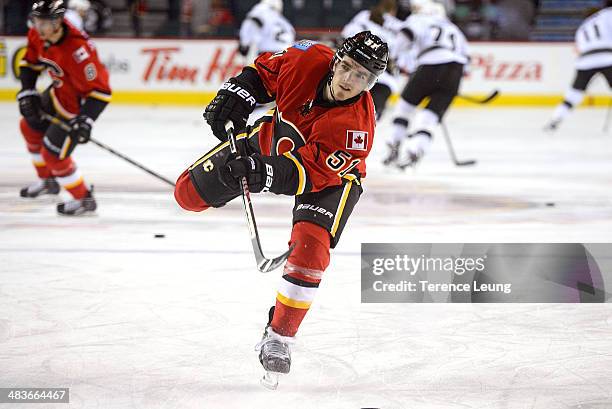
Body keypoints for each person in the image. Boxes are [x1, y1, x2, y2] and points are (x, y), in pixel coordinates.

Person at [174, 31, 388, 384]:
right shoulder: (306, 58)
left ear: (372, 82)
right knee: (186, 194)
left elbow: (306, 173)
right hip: (270, 139)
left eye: (363, 77)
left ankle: (279, 338)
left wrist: (262, 172)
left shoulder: (357, 129)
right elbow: (262, 74)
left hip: (331, 180)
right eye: (348, 68)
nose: (350, 81)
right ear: (335, 61)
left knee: (310, 250)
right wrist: (238, 93)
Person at [17, 0, 111, 215]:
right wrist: (27, 90)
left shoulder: (79, 52)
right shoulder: (38, 35)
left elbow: (101, 92)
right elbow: (29, 63)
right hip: (57, 94)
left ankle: (84, 198)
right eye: (36, 21)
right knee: (28, 127)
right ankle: (48, 181)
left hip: (75, 108)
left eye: (45, 23)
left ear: (58, 22)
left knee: (53, 155)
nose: (39, 28)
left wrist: (85, 120)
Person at [383, 1, 469, 168]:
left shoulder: (419, 19)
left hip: (430, 65)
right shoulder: (454, 29)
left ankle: (394, 144)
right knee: (430, 115)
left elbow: (406, 36)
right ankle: (416, 151)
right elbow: (467, 60)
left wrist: (392, 57)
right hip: (455, 71)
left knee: (405, 107)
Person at [545, 2, 612, 132]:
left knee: (574, 94)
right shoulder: (608, 14)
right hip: (607, 56)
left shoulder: (582, 28)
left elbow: (579, 49)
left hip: (585, 61)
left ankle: (555, 119)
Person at [341, 0, 398, 119]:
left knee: (348, 111)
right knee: (371, 116)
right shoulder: (395, 25)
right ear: (393, 11)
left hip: (357, 73)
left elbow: (346, 34)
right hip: (383, 79)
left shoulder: (363, 16)